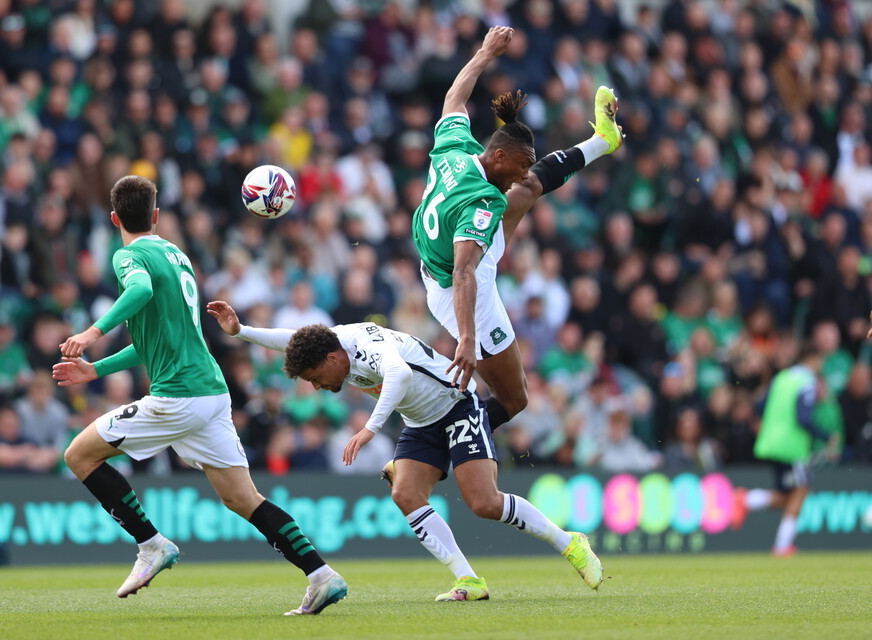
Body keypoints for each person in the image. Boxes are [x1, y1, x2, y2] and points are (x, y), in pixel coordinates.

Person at [51, 175, 346, 615]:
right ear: (155, 216)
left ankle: (150, 544)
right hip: (212, 392)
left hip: (179, 396)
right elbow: (159, 339)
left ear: (115, 218)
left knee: (78, 455)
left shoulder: (128, 255)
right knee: (244, 499)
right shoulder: (177, 255)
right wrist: (99, 369)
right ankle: (322, 575)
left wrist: (92, 332)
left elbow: (140, 291)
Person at [207, 300, 603, 601]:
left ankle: (570, 543)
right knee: (405, 493)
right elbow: (291, 339)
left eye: (315, 378)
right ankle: (469, 580)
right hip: (420, 422)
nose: (316, 386)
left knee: (483, 502)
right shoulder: (331, 344)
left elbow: (399, 373)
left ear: (332, 359)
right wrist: (241, 330)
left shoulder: (364, 345)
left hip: (457, 404)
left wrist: (368, 429)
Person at [411, 26, 623, 432]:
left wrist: (485, 53)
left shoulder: (457, 148)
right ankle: (435, 446)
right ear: (500, 155)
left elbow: (454, 98)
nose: (523, 172)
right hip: (459, 287)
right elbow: (465, 273)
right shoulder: (484, 201)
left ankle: (602, 140)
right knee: (516, 397)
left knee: (526, 190)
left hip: (451, 246)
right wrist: (468, 338)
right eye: (521, 164)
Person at [732, 348, 838, 556]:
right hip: (792, 446)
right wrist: (826, 437)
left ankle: (746, 500)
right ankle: (781, 545)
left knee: (788, 494)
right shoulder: (806, 381)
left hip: (771, 441)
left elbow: (760, 405)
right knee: (801, 490)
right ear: (812, 359)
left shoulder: (782, 377)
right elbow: (803, 418)